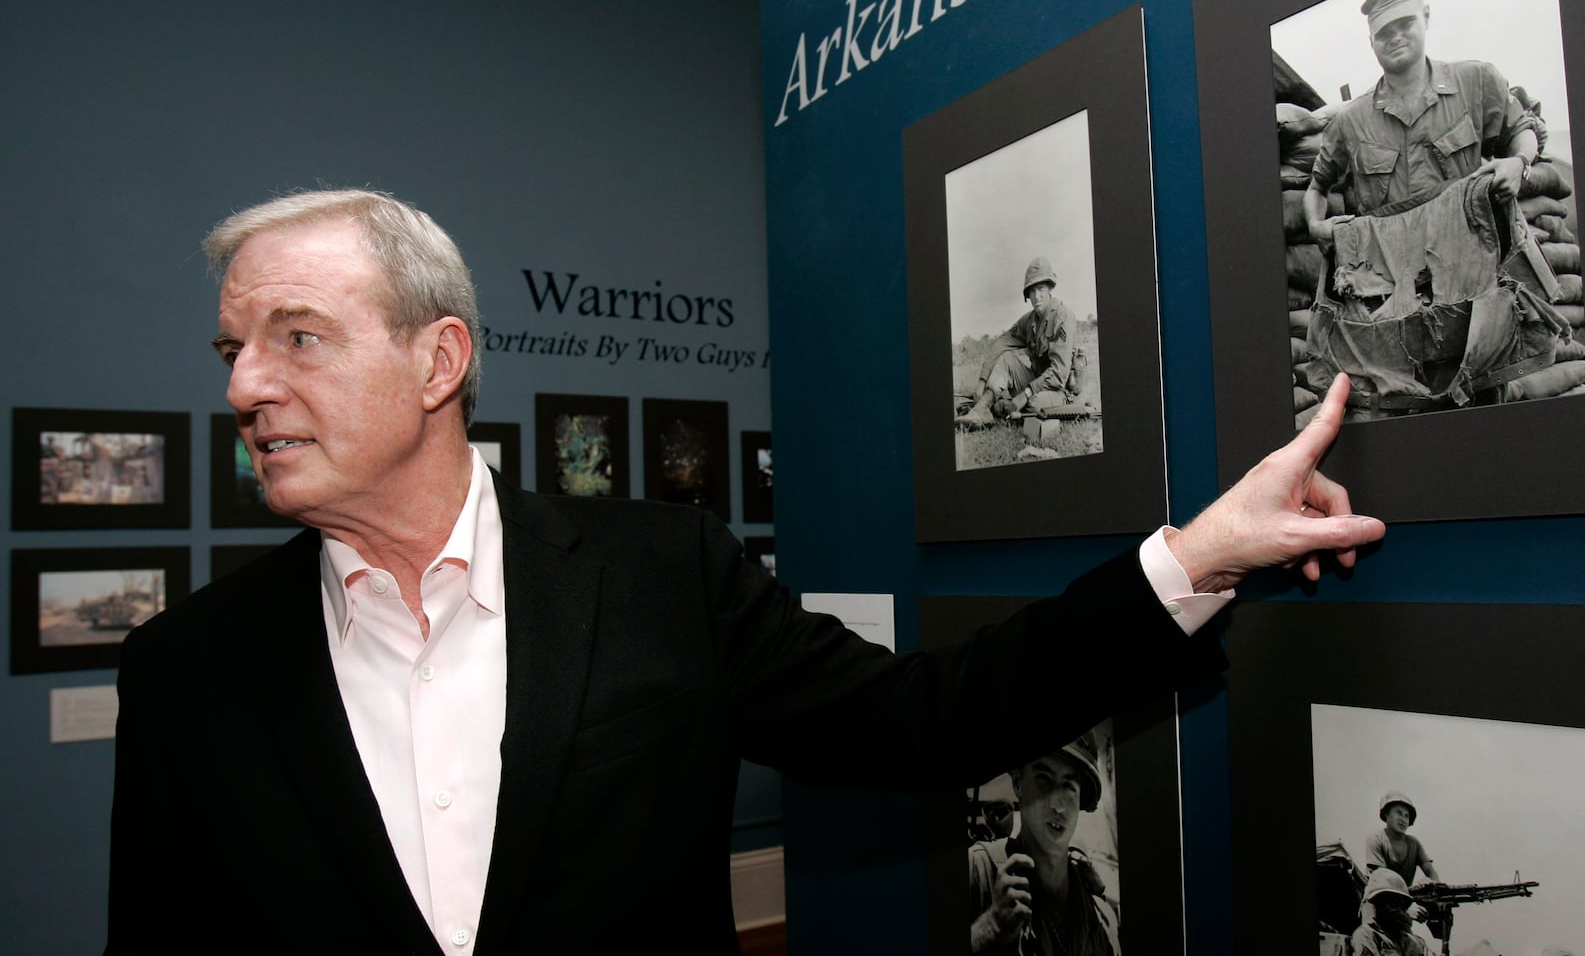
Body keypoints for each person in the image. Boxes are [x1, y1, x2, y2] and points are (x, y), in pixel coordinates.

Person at [106, 189, 1384, 954]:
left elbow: (922, 721)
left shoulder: (661, 573)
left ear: (437, 362)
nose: (245, 385)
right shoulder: (189, 665)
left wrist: (1197, 555)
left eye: (298, 338)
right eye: (231, 347)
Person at [1303, 0, 1540, 243]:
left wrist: (1519, 162)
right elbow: (1317, 188)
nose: (1395, 37)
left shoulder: (1476, 82)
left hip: (1471, 259)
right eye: (1384, 33)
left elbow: (1520, 129)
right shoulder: (1350, 120)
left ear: (1425, 17)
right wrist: (1314, 225)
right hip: (1390, 271)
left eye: (1405, 24)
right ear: (1371, 42)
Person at [969, 734, 1118, 955]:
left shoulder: (1096, 908)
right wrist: (991, 928)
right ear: (1018, 783)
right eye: (1043, 779)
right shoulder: (979, 868)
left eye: (1069, 786)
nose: (1057, 806)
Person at [956, 256, 1079, 427]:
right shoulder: (1030, 321)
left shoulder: (1062, 317)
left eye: (1041, 289)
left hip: (1058, 390)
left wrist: (1026, 393)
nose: (1037, 296)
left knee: (1034, 404)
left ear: (1050, 288)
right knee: (1007, 358)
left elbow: (1059, 374)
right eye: (1032, 291)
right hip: (1037, 383)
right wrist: (982, 382)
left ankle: (1000, 408)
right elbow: (1002, 342)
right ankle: (981, 410)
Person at [1365, 790, 1441, 889]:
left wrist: (1430, 882)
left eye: (1406, 816)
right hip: (1378, 896)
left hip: (1405, 898)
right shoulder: (1376, 839)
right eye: (1399, 813)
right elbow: (1381, 878)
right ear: (1387, 813)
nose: (1403, 820)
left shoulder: (1414, 843)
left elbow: (1431, 872)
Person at [1350, 869, 1430, 956]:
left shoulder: (1416, 943)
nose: (1398, 910)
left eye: (1402, 905)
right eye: (1393, 904)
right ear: (1378, 904)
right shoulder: (1366, 935)